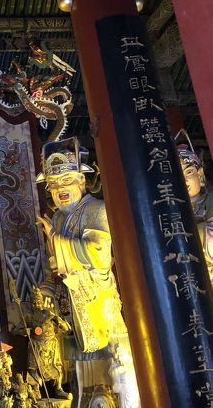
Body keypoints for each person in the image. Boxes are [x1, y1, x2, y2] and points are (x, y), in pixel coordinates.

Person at [35, 137, 139, 408]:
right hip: (71, 305)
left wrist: (56, 240)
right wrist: (48, 286)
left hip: (97, 300)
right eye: (54, 184)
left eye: (66, 181)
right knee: (79, 371)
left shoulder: (95, 209)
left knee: (117, 364)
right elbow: (54, 265)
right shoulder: (58, 218)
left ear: (81, 180)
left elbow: (99, 253)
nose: (60, 190)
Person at [15, 286, 71, 399]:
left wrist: (59, 322)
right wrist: (25, 331)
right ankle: (36, 390)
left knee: (57, 366)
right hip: (36, 345)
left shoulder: (50, 315)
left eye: (38, 302)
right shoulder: (29, 317)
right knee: (34, 368)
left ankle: (59, 389)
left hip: (51, 345)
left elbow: (66, 329)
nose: (36, 304)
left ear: (42, 302)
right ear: (31, 304)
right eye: (34, 302)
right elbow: (15, 330)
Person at [176, 129, 213, 283]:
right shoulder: (171, 210)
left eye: (189, 172)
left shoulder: (210, 201)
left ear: (200, 174)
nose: (183, 180)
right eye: (177, 175)